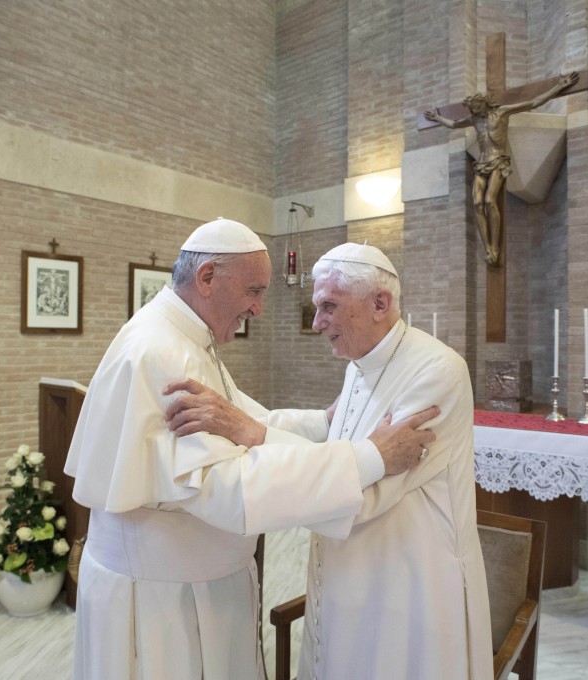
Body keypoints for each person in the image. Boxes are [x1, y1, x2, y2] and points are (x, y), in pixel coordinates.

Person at [63, 219, 438, 680]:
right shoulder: (163, 353)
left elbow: (241, 422)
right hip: (165, 599)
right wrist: (370, 458)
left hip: (188, 582)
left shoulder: (180, 338)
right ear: (206, 279)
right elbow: (228, 489)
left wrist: (321, 424)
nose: (258, 309)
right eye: (253, 291)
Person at [167, 243, 494, 680]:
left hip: (409, 581)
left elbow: (367, 492)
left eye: (329, 307)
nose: (318, 323)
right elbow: (339, 437)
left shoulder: (435, 371)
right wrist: (247, 422)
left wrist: (254, 434)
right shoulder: (361, 361)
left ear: (380, 303)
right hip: (349, 571)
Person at [424, 71, 579, 265]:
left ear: (484, 103)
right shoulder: (474, 120)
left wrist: (560, 86)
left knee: (490, 201)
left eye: (476, 107)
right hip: (481, 163)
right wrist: (438, 118)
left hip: (498, 161)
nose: (474, 111)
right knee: (477, 203)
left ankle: (495, 247)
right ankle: (487, 247)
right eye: (472, 109)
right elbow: (455, 124)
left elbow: (533, 103)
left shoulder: (502, 112)